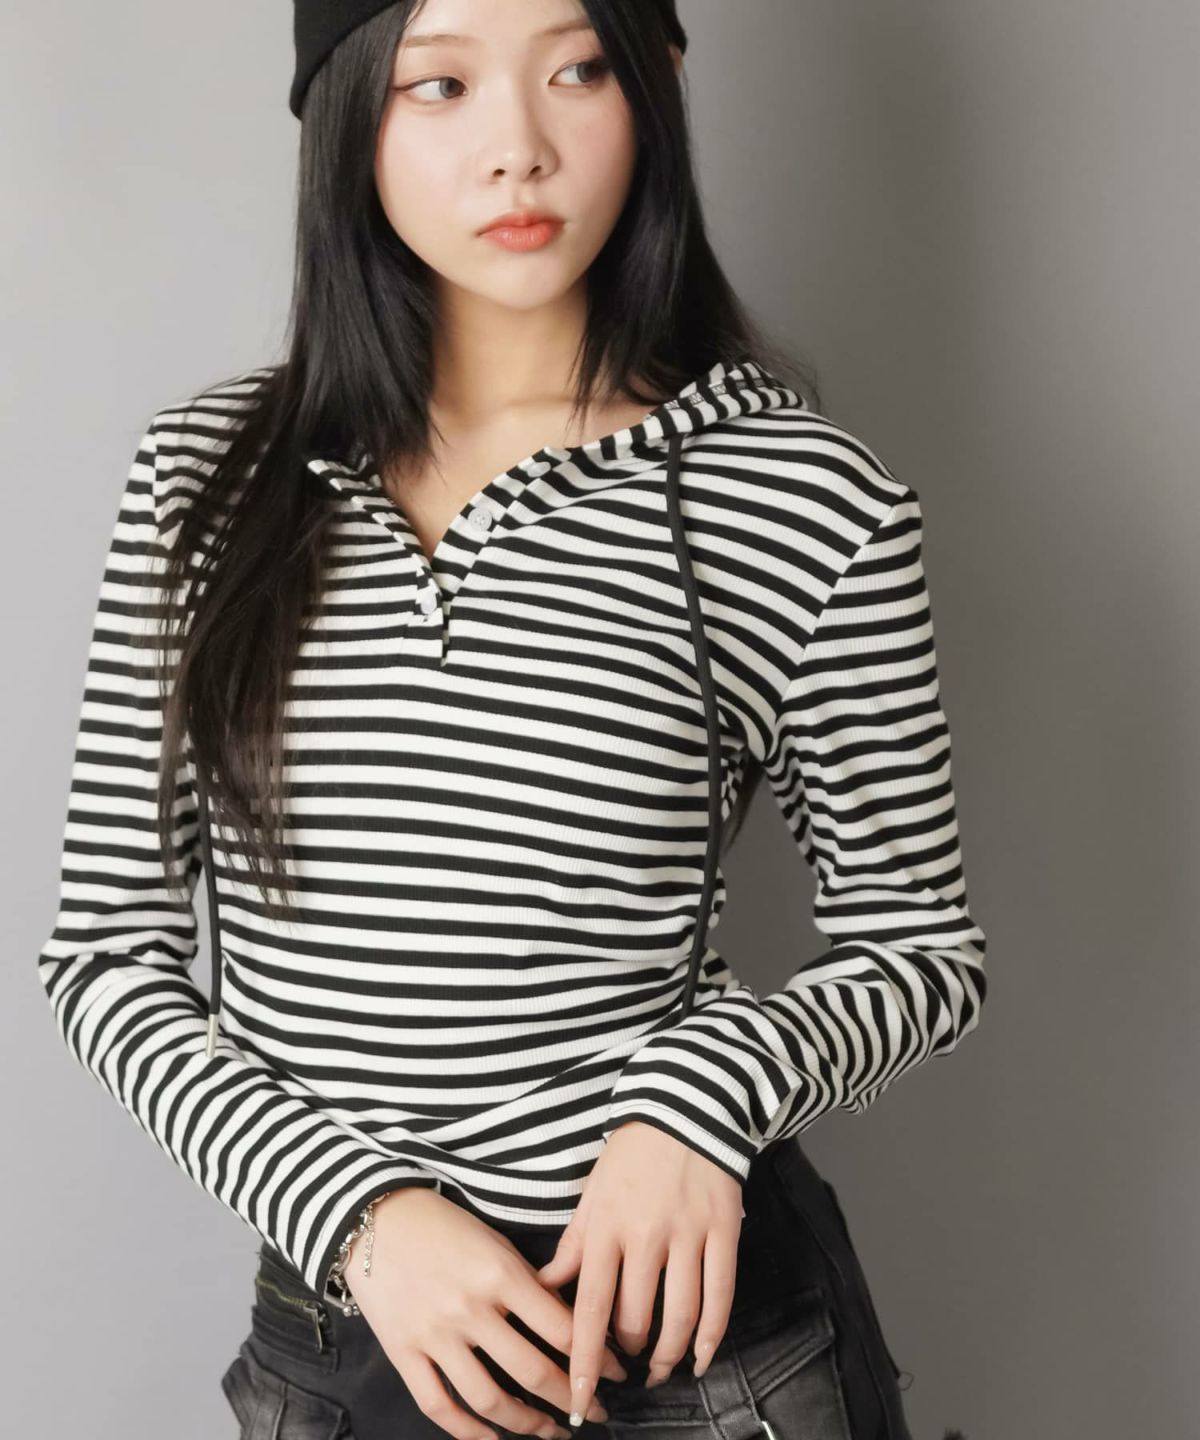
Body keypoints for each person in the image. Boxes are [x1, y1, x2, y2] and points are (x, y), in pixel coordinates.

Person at [38, 3, 988, 1438]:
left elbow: (922, 946)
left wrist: (703, 1099)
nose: (518, 149)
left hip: (701, 1358)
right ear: (346, 111)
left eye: (578, 68)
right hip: (354, 1348)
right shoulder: (208, 481)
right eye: (440, 86)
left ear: (657, 83)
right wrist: (358, 1214)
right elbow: (107, 958)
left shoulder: (803, 498)